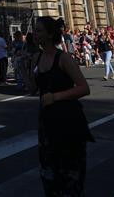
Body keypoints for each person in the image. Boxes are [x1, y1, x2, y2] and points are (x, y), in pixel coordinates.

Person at [32, 17, 93, 196]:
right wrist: (23, 67)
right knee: (49, 175)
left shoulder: (64, 58)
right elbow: (33, 89)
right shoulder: (37, 57)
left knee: (70, 178)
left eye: (38, 30)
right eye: (34, 30)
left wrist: (55, 97)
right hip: (47, 122)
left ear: (50, 34)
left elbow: (84, 88)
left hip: (68, 120)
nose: (34, 34)